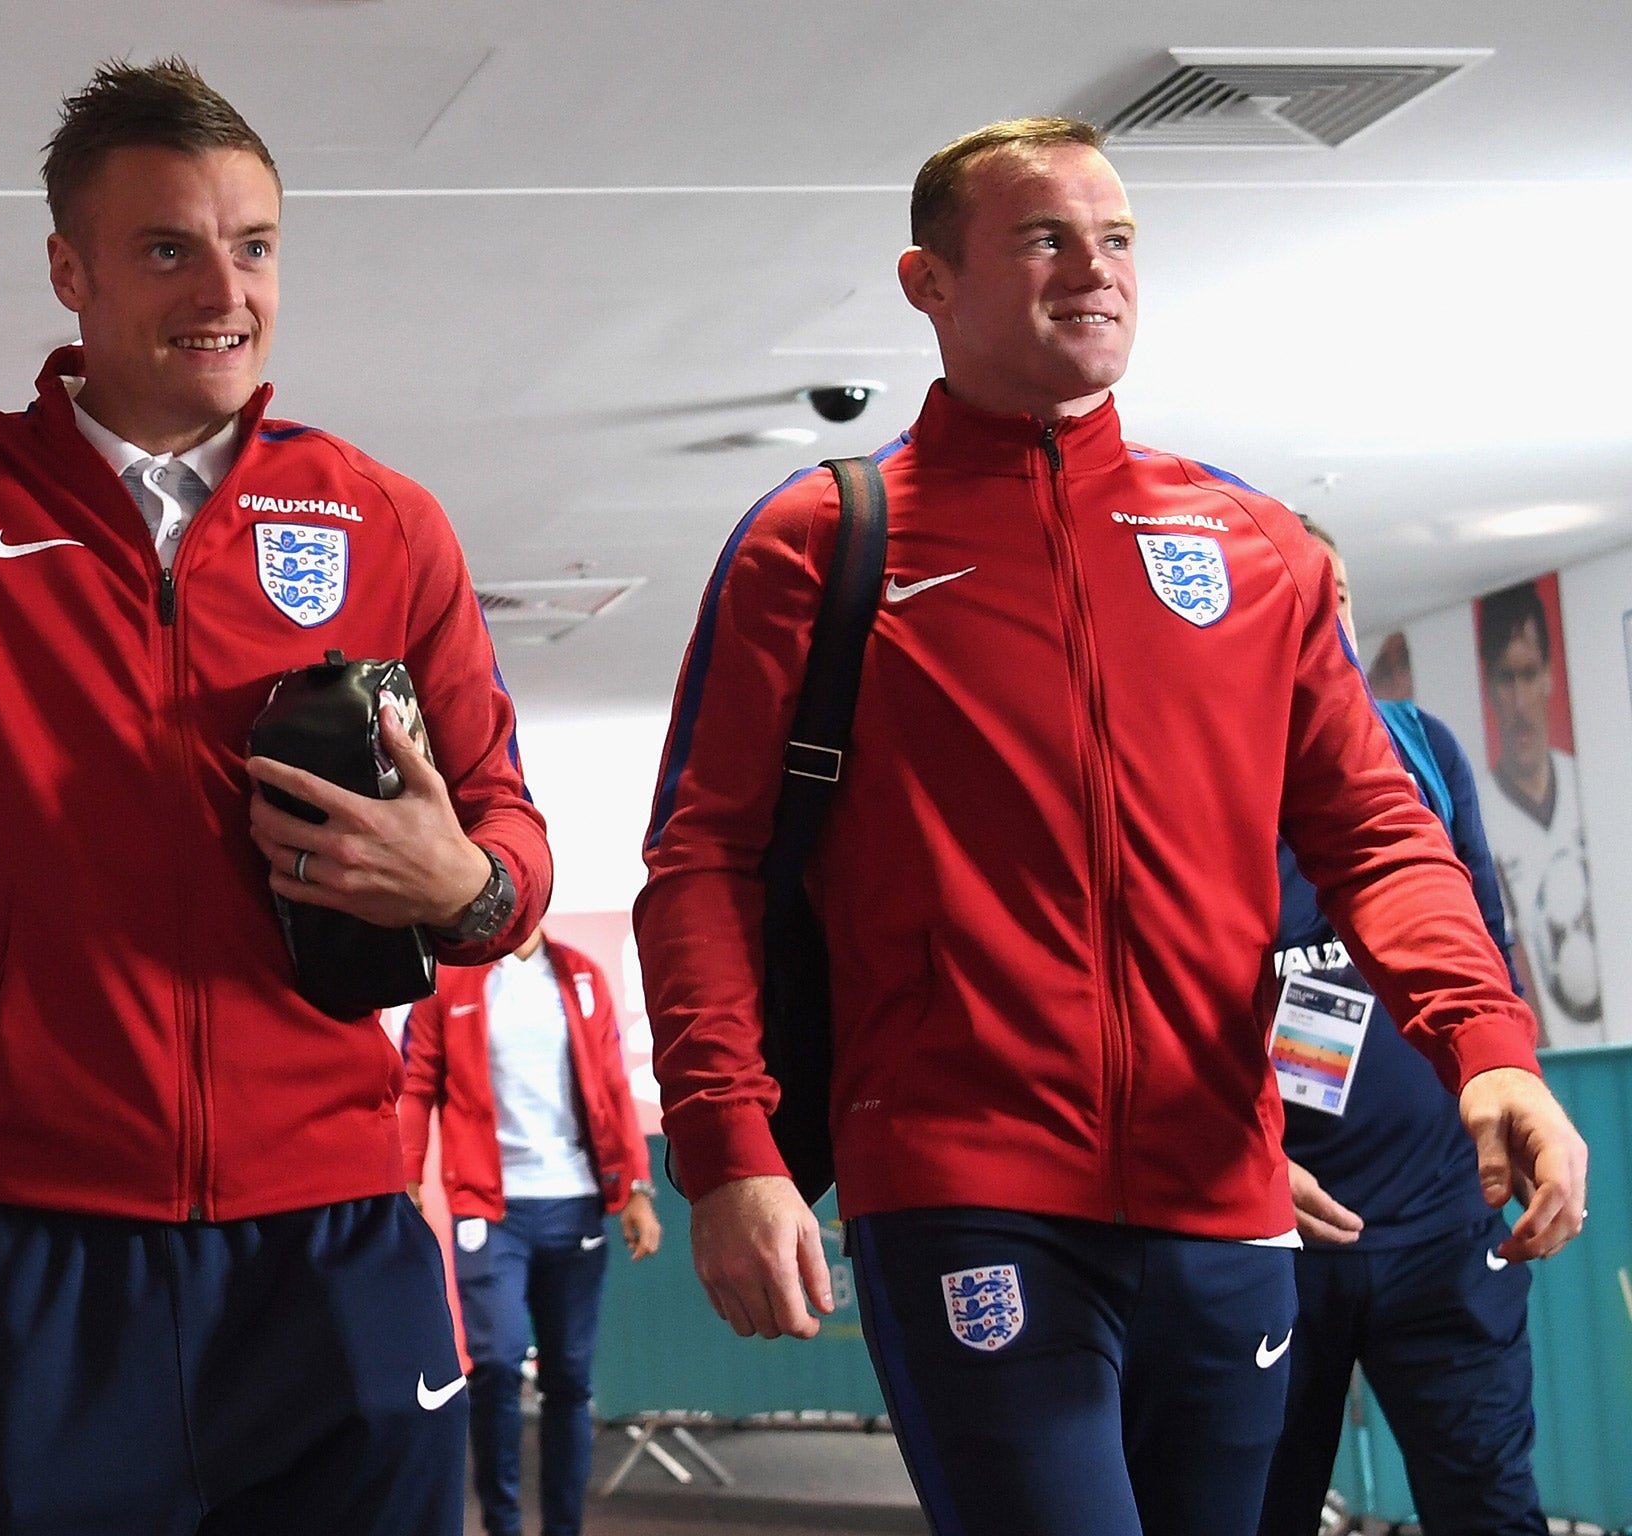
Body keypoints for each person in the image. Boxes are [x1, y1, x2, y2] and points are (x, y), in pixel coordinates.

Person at [633, 116, 1587, 1536]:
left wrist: (1490, 1050)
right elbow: (703, 863)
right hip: (968, 1179)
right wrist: (731, 1148)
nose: (1095, 269)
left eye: (1119, 237)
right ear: (929, 283)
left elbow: (1381, 838)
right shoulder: (824, 541)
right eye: (1043, 238)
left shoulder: (1247, 547)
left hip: (1223, 1192)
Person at [0, 57, 547, 1536]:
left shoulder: (381, 518)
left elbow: (507, 836)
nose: (225, 288)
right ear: (67, 270)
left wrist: (461, 887)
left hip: (329, 1241)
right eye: (167, 247)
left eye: (254, 244)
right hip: (28, 1247)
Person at [1258, 526, 1548, 1536]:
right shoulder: (1199, 786)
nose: (1321, 620)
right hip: (1273, 1235)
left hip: (1444, 1227)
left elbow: (1485, 957)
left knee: (1489, 1506)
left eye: (1332, 595)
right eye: (1293, 599)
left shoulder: (1417, 747)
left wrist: (1516, 1096)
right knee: (1255, 1507)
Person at [400, 927, 662, 1536]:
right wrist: (406, 1174)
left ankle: (564, 1528)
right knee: (494, 1364)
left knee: (569, 1380)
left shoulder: (581, 973)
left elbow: (616, 1087)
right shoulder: (448, 977)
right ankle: (502, 1524)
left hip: (574, 1205)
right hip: (490, 1210)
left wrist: (637, 1191)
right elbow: (416, 1083)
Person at [1475, 580, 1604, 1046]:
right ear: (1489, 688)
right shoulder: (1478, 815)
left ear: (1549, 675)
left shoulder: (1589, 786)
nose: (1519, 701)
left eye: (1529, 674)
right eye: (1506, 680)